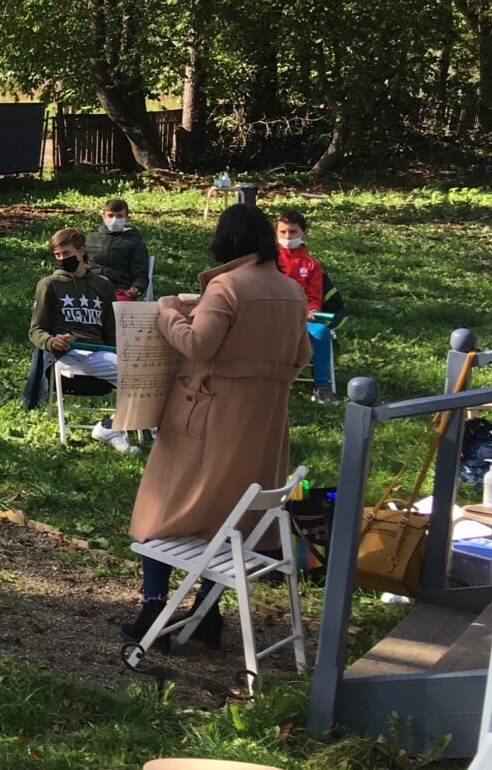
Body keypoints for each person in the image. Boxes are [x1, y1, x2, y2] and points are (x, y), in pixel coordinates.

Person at [122, 204, 309, 649]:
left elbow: (198, 343)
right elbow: (301, 357)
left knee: (164, 506)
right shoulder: (291, 290)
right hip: (264, 419)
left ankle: (154, 608)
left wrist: (168, 311)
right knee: (233, 518)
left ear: (227, 240)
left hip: (205, 413)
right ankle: (207, 613)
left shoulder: (228, 285)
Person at [29, 229, 126, 447]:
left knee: (139, 373)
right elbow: (35, 330)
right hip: (69, 353)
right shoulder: (49, 285)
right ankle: (121, 427)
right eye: (58, 255)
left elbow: (110, 330)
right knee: (131, 374)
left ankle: (115, 424)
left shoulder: (103, 286)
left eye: (67, 253)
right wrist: (52, 341)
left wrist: (118, 349)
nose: (63, 259)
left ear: (81, 251)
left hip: (101, 351)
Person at [276, 210, 336, 402]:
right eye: (282, 232)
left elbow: (314, 294)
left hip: (302, 318)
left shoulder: (311, 264)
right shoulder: (268, 259)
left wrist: (312, 310)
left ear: (304, 233)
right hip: (273, 315)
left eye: (293, 232)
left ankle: (322, 387)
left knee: (321, 333)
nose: (287, 237)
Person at [86, 198, 152, 300]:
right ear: (103, 217)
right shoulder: (91, 238)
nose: (114, 220)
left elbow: (140, 273)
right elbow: (81, 264)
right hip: (90, 287)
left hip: (119, 290)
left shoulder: (135, 243)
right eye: (111, 215)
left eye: (119, 216)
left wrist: (137, 287)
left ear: (127, 218)